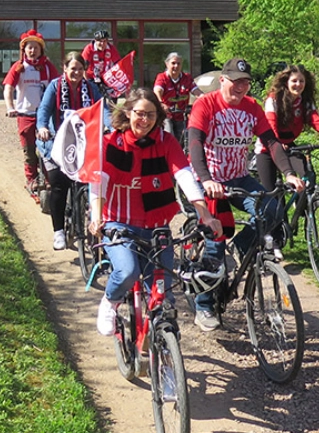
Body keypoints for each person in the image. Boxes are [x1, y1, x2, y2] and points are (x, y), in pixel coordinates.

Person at [89, 88, 222, 336]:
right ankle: (110, 301)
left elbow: (184, 176)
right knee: (128, 272)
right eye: (139, 113)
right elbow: (99, 181)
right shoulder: (112, 143)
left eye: (151, 114)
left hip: (156, 225)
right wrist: (96, 216)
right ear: (128, 113)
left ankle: (163, 344)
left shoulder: (165, 141)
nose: (145, 120)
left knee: (163, 294)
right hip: (119, 222)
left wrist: (204, 213)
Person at [187, 57, 305, 331]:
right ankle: (204, 305)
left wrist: (288, 173)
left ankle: (241, 246)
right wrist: (206, 180)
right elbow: (194, 144)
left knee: (273, 210)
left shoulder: (251, 107)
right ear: (223, 80)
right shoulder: (206, 104)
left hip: (239, 177)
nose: (241, 87)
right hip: (209, 181)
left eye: (246, 83)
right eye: (236, 82)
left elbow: (271, 142)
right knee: (215, 240)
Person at [37, 52, 103, 251]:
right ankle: (58, 231)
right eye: (73, 68)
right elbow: (44, 110)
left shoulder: (91, 88)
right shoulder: (55, 87)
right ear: (65, 68)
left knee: (89, 182)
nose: (77, 72)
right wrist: (42, 127)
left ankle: (87, 223)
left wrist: (111, 126)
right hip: (56, 143)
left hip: (82, 144)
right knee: (59, 185)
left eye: (80, 69)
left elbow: (103, 110)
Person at [254, 64, 319, 192]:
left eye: (301, 81)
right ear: (286, 82)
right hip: (268, 147)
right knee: (271, 194)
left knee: (306, 177)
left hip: (289, 146)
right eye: (294, 81)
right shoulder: (274, 100)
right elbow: (271, 124)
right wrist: (278, 143)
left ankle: (303, 203)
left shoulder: (305, 101)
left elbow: (316, 120)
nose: (298, 84)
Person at [3, 30, 59, 198]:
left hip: (45, 115)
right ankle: (32, 179)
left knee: (48, 148)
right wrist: (10, 107)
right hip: (25, 114)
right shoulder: (19, 67)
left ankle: (49, 178)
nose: (32, 51)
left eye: (36, 47)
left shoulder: (48, 67)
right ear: (24, 50)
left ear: (41, 50)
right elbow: (8, 88)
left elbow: (58, 86)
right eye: (29, 47)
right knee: (29, 150)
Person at [153, 52, 202, 144]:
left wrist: (205, 99)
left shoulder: (186, 78)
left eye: (178, 63)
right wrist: (161, 103)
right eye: (173, 63)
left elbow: (197, 92)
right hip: (167, 115)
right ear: (167, 64)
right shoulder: (162, 77)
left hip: (181, 115)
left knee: (185, 139)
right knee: (169, 134)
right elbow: (157, 91)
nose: (176, 66)